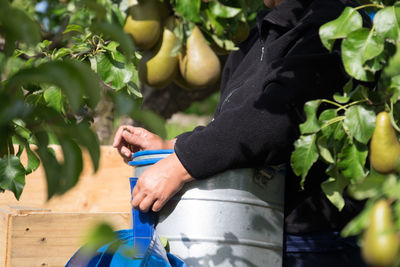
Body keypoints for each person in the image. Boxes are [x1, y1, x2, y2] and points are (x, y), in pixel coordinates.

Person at [113, 0, 370, 266]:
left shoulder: (334, 24)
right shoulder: (255, 39)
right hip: (257, 233)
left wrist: (181, 163)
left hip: (314, 243)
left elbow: (275, 119)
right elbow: (234, 125)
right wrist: (172, 145)